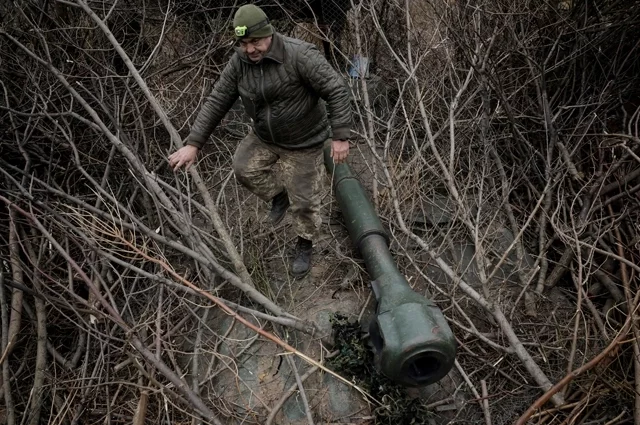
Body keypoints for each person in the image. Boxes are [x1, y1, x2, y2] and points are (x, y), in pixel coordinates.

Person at [168, 4, 352, 278]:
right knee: (244, 168)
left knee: (305, 203)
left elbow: (336, 90)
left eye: (255, 42)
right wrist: (194, 143)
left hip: (304, 141)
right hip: (265, 136)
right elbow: (218, 100)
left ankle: (304, 243)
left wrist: (340, 136)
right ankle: (279, 196)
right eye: (243, 43)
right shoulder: (239, 62)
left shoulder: (300, 55)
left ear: (269, 34)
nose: (250, 49)